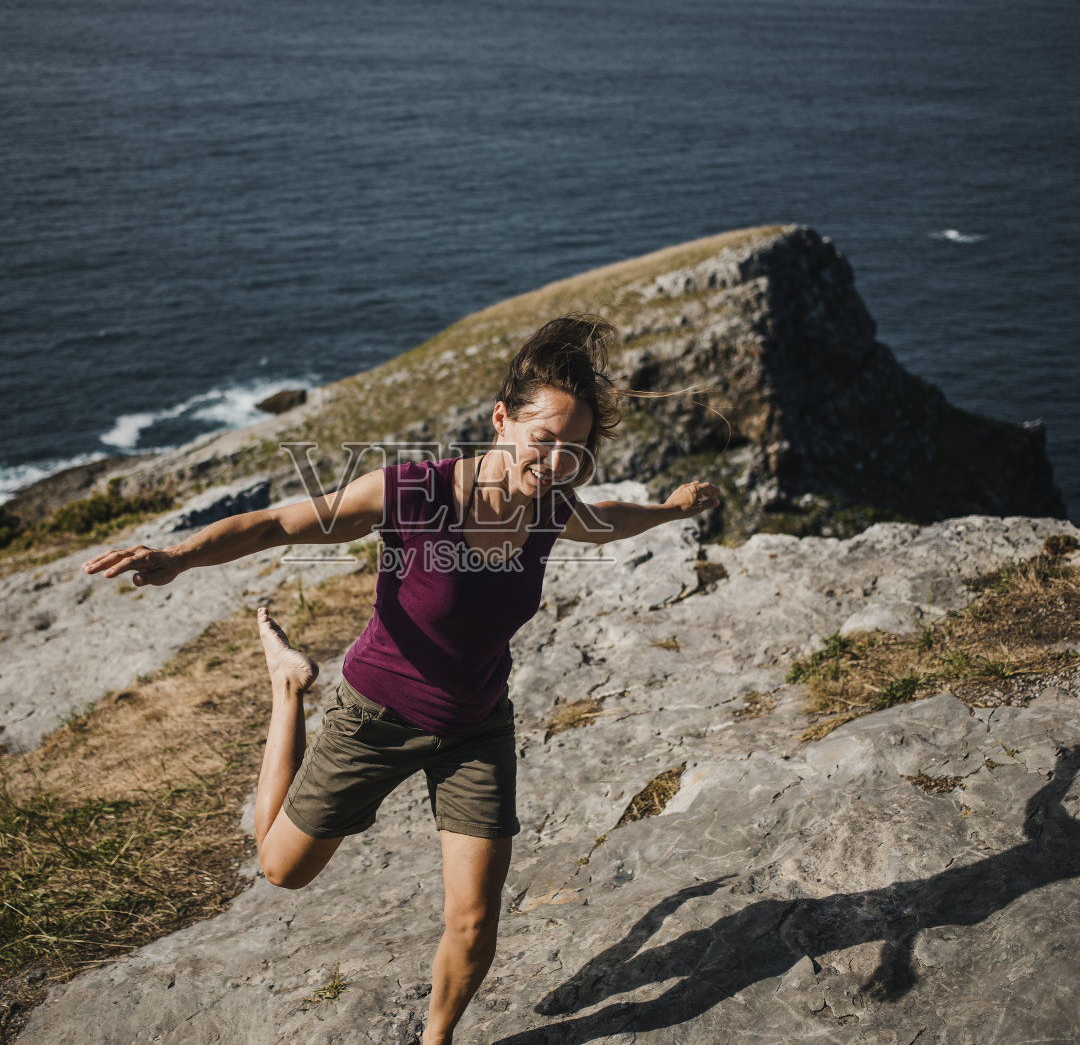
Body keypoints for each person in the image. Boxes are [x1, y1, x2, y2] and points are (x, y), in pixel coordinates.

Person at [82, 314, 719, 1043]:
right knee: (281, 869)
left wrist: (670, 509)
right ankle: (288, 685)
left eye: (574, 450)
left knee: (475, 918)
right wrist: (180, 554)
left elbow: (606, 516)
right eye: (544, 440)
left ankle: (435, 1038)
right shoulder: (414, 492)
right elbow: (279, 524)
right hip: (375, 715)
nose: (555, 462)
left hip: (476, 725)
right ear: (502, 419)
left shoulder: (551, 505)